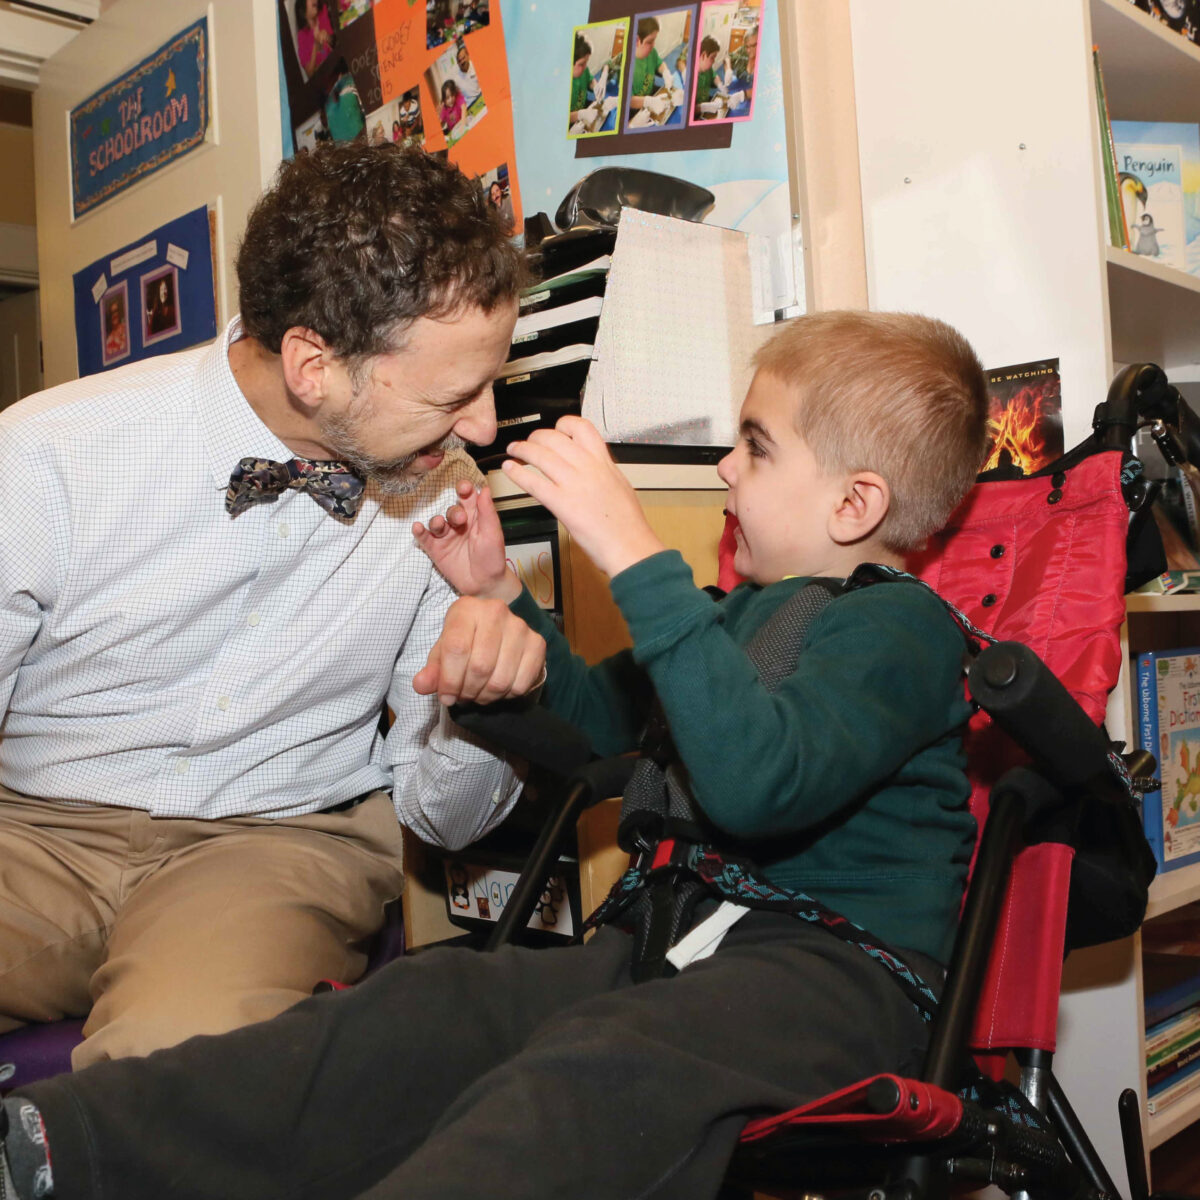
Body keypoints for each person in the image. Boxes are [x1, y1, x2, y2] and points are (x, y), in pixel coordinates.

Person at [1, 310, 990, 1200]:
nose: (727, 467)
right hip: (672, 953)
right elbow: (592, 731)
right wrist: (500, 603)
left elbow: (759, 786)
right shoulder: (742, 619)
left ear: (857, 505)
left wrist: (634, 552)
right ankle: (54, 1146)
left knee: (601, 1068)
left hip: (832, 976)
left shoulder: (904, 631)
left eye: (757, 448)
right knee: (434, 1002)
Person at [0, 142, 542, 1072]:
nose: (486, 428)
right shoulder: (49, 454)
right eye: (456, 394)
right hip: (35, 835)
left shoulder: (445, 493)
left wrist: (486, 698)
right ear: (312, 365)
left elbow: (443, 821)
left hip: (278, 842)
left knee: (178, 1081)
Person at [628, 15, 664, 113]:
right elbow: (628, 100)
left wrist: (666, 72)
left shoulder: (652, 52)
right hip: (635, 109)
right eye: (650, 42)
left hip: (651, 93)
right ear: (637, 41)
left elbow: (659, 63)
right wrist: (648, 101)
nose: (653, 45)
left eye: (654, 40)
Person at [294, 0, 334, 77]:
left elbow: (333, 42)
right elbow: (309, 73)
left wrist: (327, 37)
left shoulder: (322, 14)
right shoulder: (302, 36)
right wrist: (315, 45)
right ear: (302, 8)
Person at [569, 32, 595, 126]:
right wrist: (580, 114)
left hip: (582, 111)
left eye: (586, 62)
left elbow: (590, 80)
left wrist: (595, 86)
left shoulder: (584, 70)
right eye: (581, 64)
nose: (585, 67)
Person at [693, 34, 721, 115]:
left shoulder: (707, 69)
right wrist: (705, 107)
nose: (714, 61)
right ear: (703, 55)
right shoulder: (689, 77)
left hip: (705, 105)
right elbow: (687, 110)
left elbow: (714, 76)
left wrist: (720, 85)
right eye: (712, 57)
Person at [450, 38, 482, 107]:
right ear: (457, 63)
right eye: (459, 61)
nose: (462, 62)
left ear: (468, 56)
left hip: (481, 97)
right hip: (470, 105)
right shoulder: (456, 79)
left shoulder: (476, 65)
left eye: (463, 58)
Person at [101, 296, 126, 362]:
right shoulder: (108, 341)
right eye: (112, 313)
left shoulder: (126, 328)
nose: (114, 315)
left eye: (116, 311)